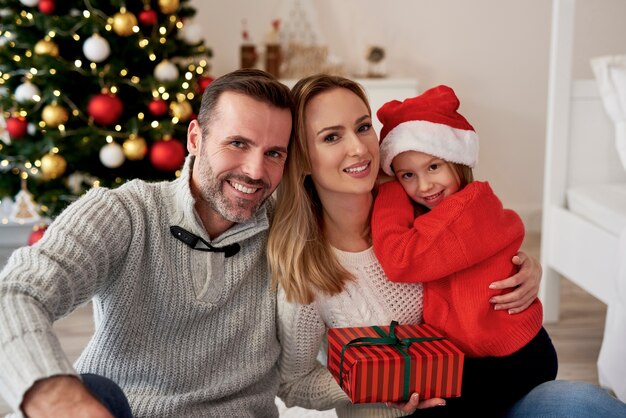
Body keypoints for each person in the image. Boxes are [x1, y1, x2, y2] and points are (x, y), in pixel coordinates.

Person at [267, 74, 626, 418]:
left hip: (482, 387)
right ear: (302, 157)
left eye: (363, 127)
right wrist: (379, 381)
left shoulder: (420, 198)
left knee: (583, 402)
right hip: (403, 415)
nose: (359, 148)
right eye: (332, 137)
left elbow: (483, 242)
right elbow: (294, 383)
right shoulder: (306, 266)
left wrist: (525, 268)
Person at [0, 69, 293, 418]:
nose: (256, 171)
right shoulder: (125, 212)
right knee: (96, 389)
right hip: (118, 411)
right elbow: (15, 293)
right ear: (196, 138)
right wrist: (57, 396)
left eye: (274, 153)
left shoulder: (291, 226)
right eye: (238, 143)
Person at [371, 84, 557, 416]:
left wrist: (389, 191)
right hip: (487, 356)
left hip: (514, 357)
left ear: (458, 160)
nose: (424, 186)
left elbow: (400, 260)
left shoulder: (465, 210)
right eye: (407, 175)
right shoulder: (443, 210)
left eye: (433, 167)